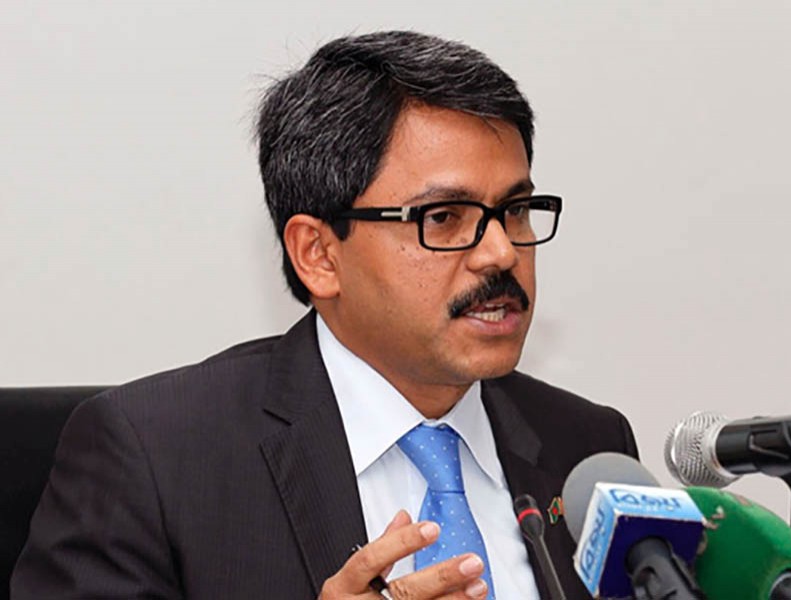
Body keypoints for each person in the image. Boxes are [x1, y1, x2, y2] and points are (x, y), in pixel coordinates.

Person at [12, 31, 638, 599]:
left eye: (516, 210)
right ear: (318, 254)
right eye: (444, 217)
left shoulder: (588, 448)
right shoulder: (155, 460)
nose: (501, 252)